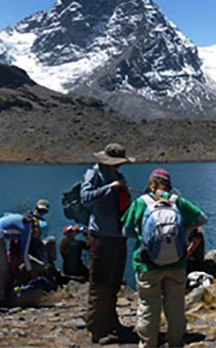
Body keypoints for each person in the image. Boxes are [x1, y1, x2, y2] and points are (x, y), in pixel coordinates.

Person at [122, 168, 208, 348]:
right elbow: (201, 219)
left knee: (148, 307)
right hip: (177, 263)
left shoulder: (141, 202)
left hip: (147, 264)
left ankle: (148, 345)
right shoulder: (178, 202)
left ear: (151, 183)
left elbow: (126, 230)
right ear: (169, 184)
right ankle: (176, 344)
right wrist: (184, 232)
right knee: (176, 307)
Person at [81, 143, 134, 343]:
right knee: (100, 283)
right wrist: (108, 188)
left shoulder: (118, 175)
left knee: (114, 282)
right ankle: (97, 327)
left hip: (118, 236)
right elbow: (85, 198)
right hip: (101, 236)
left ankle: (111, 321)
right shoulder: (93, 174)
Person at [0, 212, 40, 307]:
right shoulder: (27, 229)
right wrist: (30, 271)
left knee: (3, 267)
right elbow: (24, 254)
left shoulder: (19, 218)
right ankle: (0, 300)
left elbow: (6, 215)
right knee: (0, 269)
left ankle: (4, 296)